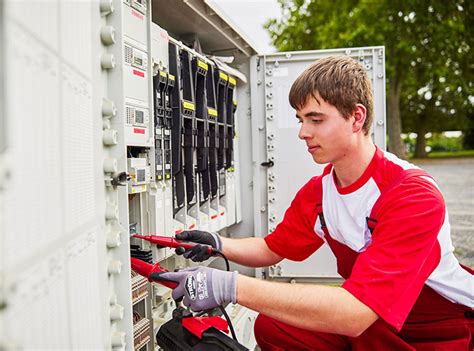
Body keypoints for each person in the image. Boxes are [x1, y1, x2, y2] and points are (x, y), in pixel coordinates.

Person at [155, 56, 474, 350]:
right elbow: (271, 249)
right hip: (376, 325)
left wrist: (229, 286)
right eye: (300, 119)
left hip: (434, 333)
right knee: (274, 327)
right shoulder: (320, 192)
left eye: (315, 119)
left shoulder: (410, 194)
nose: (303, 132)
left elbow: (356, 313)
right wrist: (217, 243)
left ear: (356, 117)